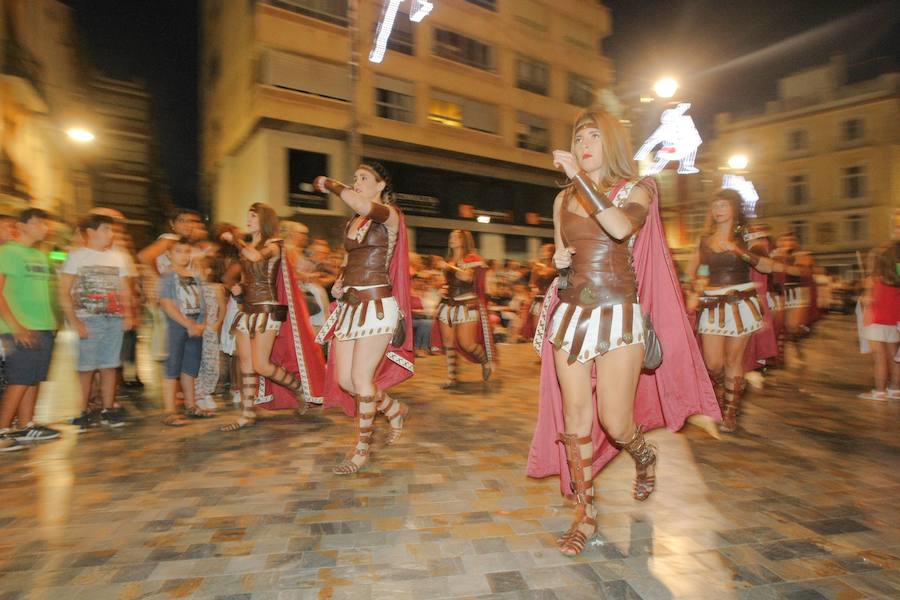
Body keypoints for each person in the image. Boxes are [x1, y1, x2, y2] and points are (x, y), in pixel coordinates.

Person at [527, 108, 719, 557]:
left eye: (593, 137)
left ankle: (644, 456)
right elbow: (562, 253)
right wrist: (557, 261)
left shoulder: (638, 189)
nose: (583, 145)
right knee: (576, 419)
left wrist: (580, 178)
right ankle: (585, 511)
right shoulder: (562, 201)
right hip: (572, 316)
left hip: (619, 317)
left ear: (610, 143)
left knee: (615, 422)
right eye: (577, 139)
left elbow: (617, 226)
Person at [314, 162, 414, 475]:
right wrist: (340, 281)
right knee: (346, 380)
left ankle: (361, 448)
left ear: (381, 185)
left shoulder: (390, 214)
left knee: (360, 378)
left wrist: (331, 184)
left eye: (364, 178)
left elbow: (359, 202)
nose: (356, 182)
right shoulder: (354, 222)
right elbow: (350, 258)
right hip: (350, 305)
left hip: (377, 306)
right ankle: (393, 408)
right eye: (354, 177)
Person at [219, 203, 325, 431]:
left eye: (253, 215)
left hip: (267, 310)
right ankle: (247, 414)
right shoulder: (250, 245)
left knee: (261, 364)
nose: (249, 219)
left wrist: (234, 240)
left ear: (264, 219)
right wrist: (236, 286)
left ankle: (298, 389)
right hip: (246, 309)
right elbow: (237, 271)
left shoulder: (274, 245)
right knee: (246, 365)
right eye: (248, 215)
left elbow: (256, 257)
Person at [685, 189, 783, 432]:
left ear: (734, 208)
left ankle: (730, 409)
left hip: (742, 302)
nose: (718, 210)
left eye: (723, 205)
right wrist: (695, 283)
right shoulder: (704, 239)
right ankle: (722, 392)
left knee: (733, 360)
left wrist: (738, 250)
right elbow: (692, 269)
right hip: (712, 303)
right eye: (715, 205)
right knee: (713, 363)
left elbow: (768, 267)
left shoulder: (748, 235)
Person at [59, 214, 133, 431]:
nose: (111, 234)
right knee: (86, 367)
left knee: (110, 365)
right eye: (106, 229)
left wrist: (127, 314)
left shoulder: (118, 257)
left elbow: (124, 288)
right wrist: (75, 321)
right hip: (89, 318)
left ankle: (108, 408)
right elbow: (64, 291)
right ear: (91, 232)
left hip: (114, 318)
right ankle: (83, 410)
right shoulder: (77, 257)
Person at [0, 208, 60, 451]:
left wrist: (51, 322)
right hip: (19, 327)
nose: (43, 228)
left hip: (42, 325)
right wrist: (16, 326)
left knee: (33, 378)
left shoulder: (40, 255)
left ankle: (27, 425)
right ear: (21, 226)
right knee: (20, 379)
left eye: (45, 224)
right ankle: (3, 428)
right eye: (37, 223)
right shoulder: (8, 252)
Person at [430, 230, 496, 387]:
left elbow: (466, 277)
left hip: (466, 304)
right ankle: (452, 378)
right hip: (447, 304)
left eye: (456, 237)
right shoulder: (449, 260)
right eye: (451, 236)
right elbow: (444, 281)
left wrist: (447, 267)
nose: (452, 239)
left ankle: (484, 361)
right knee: (448, 342)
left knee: (467, 343)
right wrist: (441, 286)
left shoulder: (472, 259)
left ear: (464, 240)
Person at [158, 238, 211, 425]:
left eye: (187, 251)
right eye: (179, 251)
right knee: (172, 367)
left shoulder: (195, 276)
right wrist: (186, 323)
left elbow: (202, 302)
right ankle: (169, 410)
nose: (184, 255)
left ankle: (191, 405)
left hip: (195, 327)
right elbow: (166, 304)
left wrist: (201, 323)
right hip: (177, 326)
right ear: (169, 255)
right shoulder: (167, 276)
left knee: (190, 368)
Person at [858, 212, 900, 400]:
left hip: (876, 320)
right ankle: (895, 389)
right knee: (895, 357)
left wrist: (862, 298)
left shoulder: (874, 278)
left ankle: (880, 391)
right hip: (895, 319)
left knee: (879, 358)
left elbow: (869, 300)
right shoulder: (897, 276)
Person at [194, 256, 226, 411]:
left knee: (212, 362)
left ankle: (208, 391)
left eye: (198, 267)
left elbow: (222, 308)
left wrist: (218, 323)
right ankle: (198, 393)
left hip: (210, 331)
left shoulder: (216, 288)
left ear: (207, 270)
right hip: (196, 330)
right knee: (196, 362)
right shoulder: (193, 287)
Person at [520, 244, 556, 341]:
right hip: (538, 299)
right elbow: (532, 285)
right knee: (537, 326)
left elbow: (554, 276)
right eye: (542, 250)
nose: (543, 253)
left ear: (552, 252)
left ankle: (548, 349)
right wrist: (529, 300)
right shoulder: (537, 267)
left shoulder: (556, 266)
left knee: (549, 326)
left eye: (546, 250)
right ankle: (541, 349)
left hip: (552, 299)